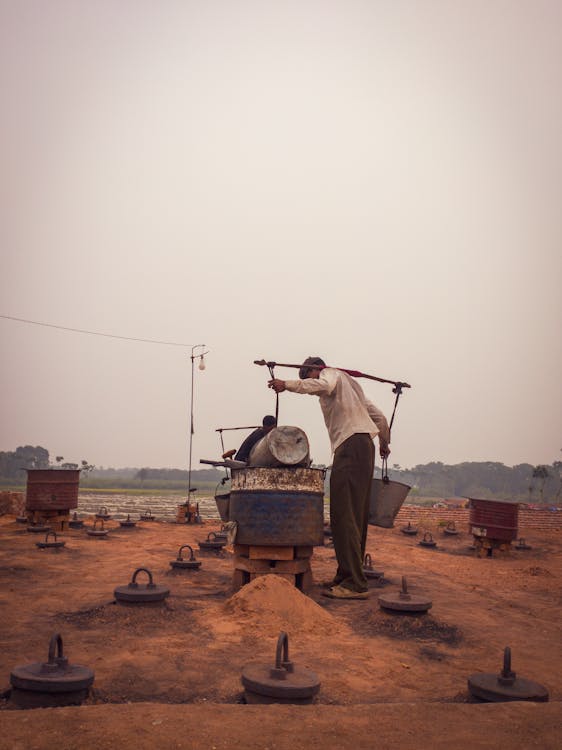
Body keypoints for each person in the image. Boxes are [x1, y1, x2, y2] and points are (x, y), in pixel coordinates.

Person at [268, 356, 390, 600]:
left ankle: (354, 583)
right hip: (365, 446)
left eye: (308, 376)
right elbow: (381, 419)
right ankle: (346, 576)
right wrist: (384, 445)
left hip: (350, 444)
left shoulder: (330, 374)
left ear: (315, 369)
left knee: (343, 514)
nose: (310, 382)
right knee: (355, 515)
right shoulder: (353, 387)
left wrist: (287, 385)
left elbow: (323, 386)